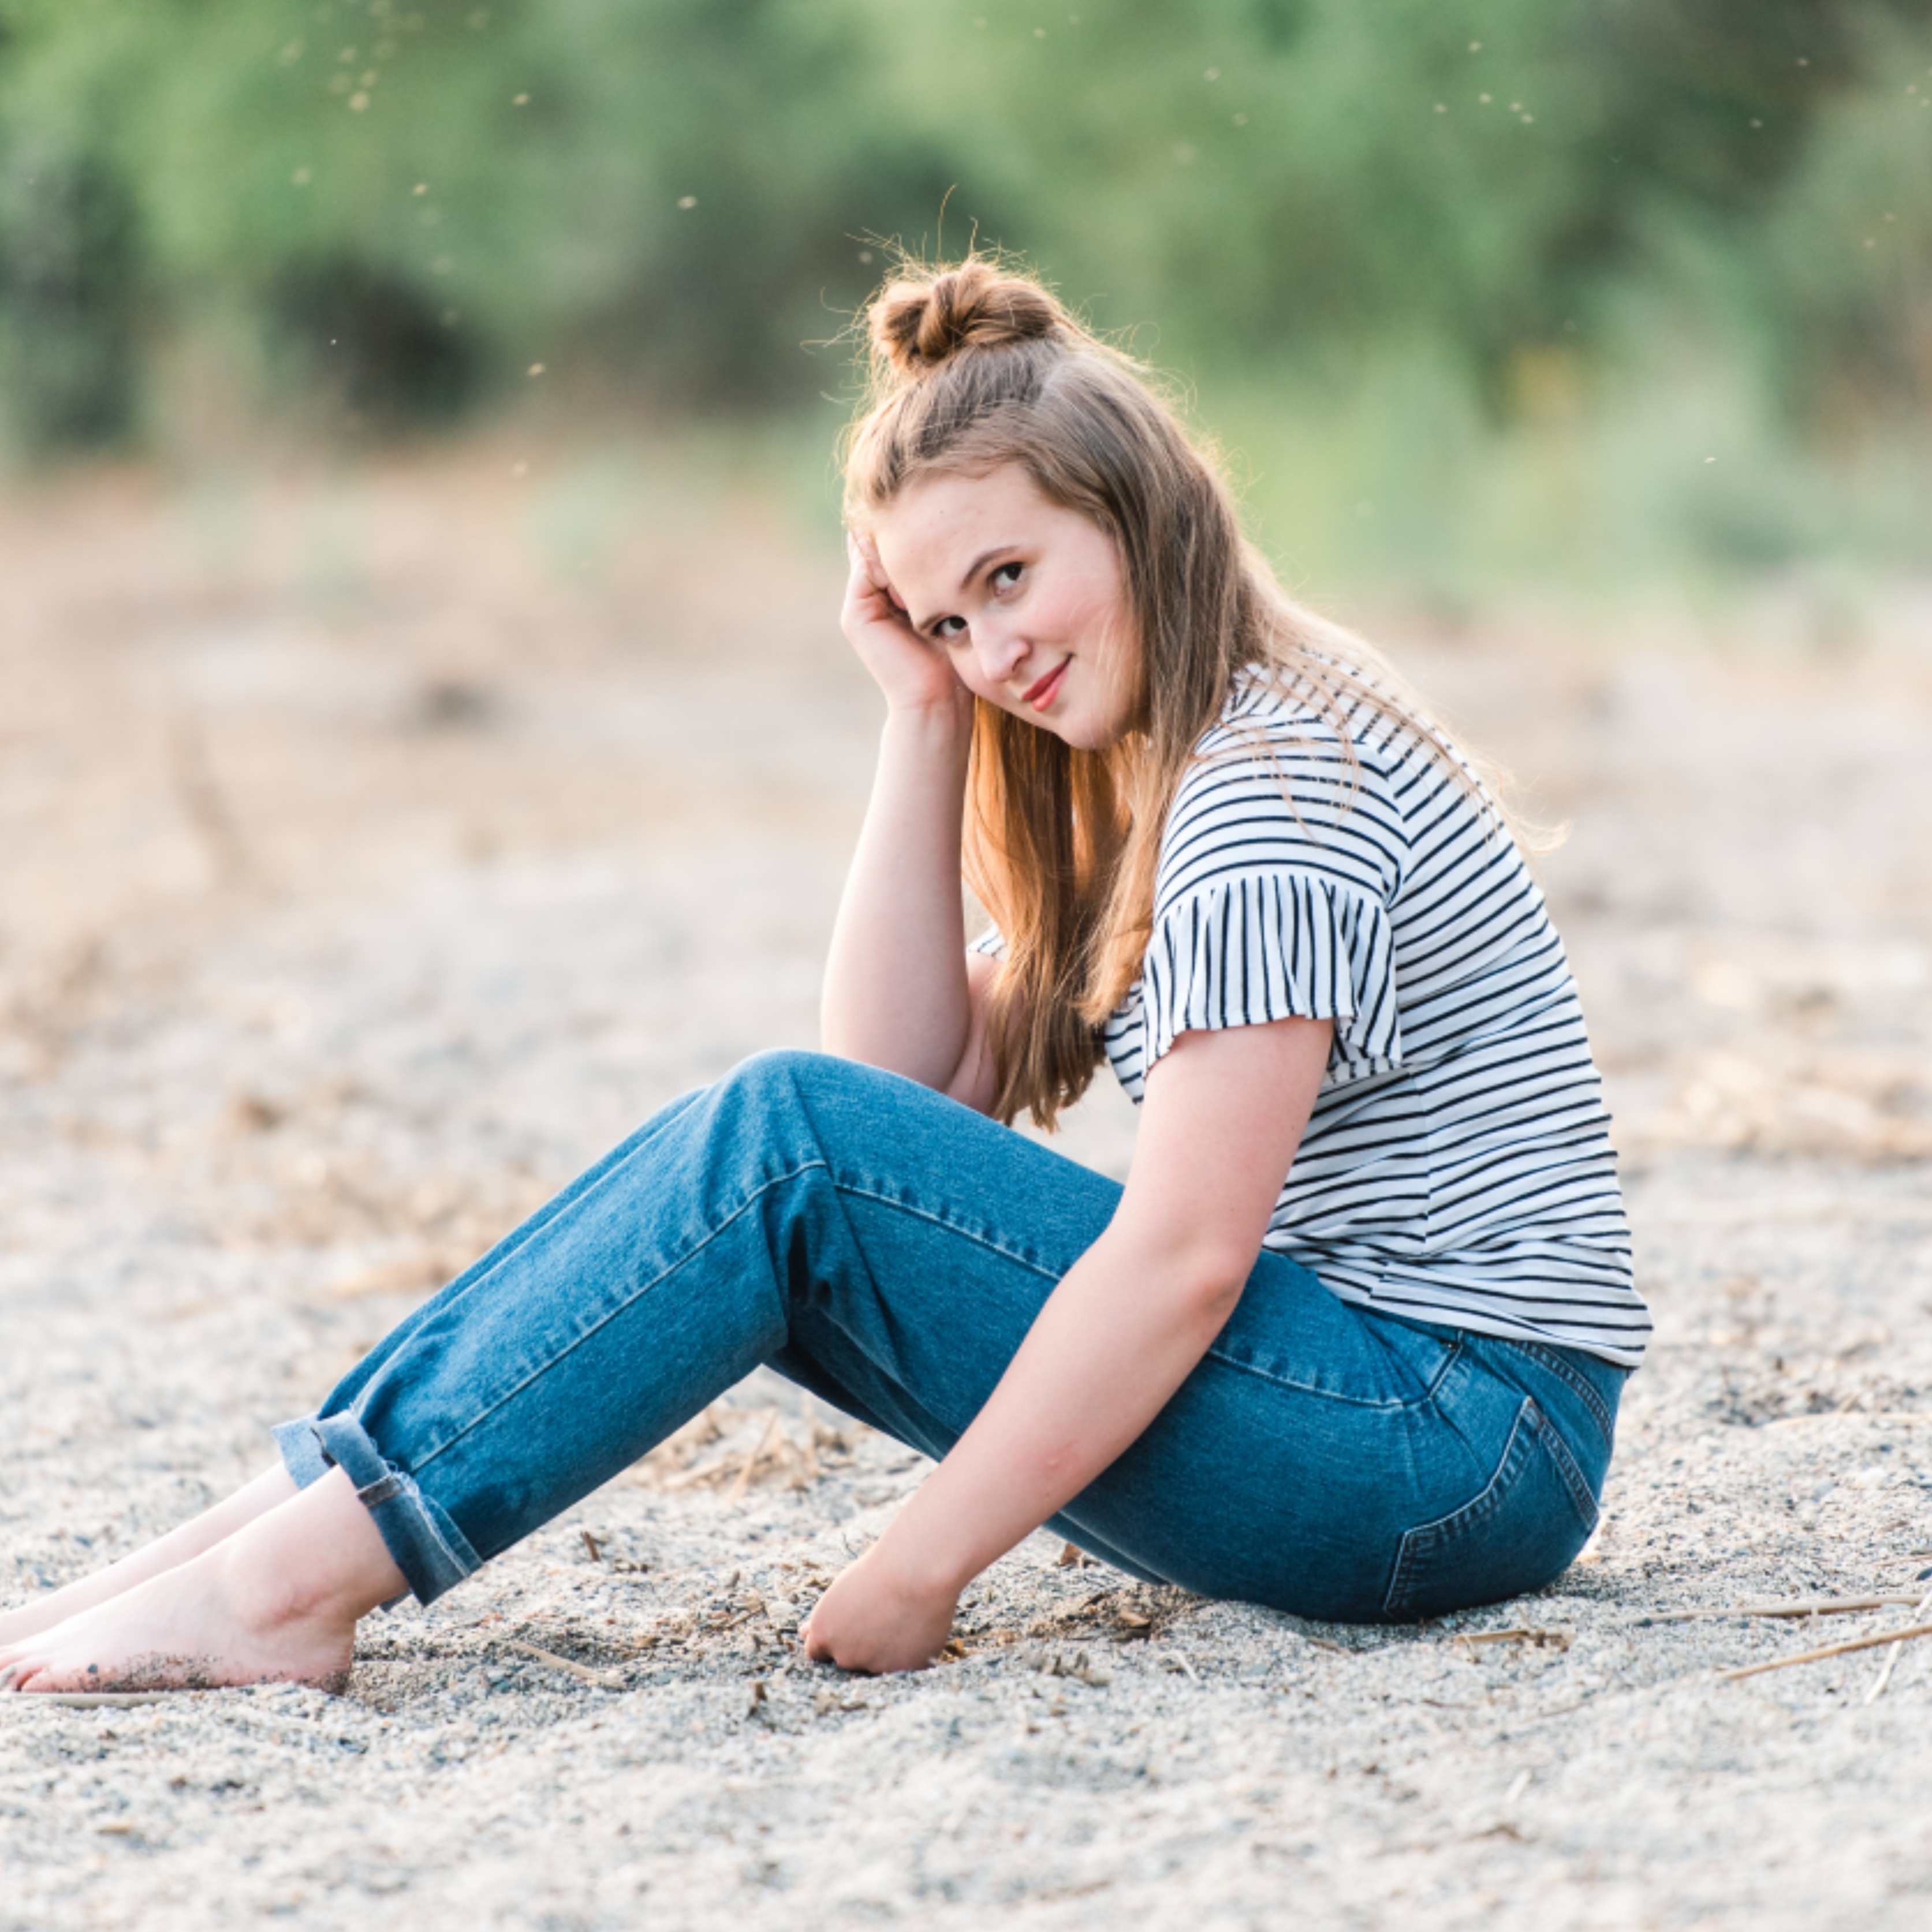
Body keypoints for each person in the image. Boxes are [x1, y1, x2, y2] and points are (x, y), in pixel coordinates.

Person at [0, 260, 1649, 1694]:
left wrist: (921, 1564)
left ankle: (285, 1579)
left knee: (774, 1142)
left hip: (1451, 1444)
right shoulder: (1167, 763)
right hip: (1401, 1420)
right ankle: (253, 1546)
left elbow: (1181, 1259)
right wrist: (919, 721)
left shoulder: (1264, 799)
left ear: (1138, 507)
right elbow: (899, 1086)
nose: (993, 652)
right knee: (771, 1141)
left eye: (1009, 578)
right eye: (945, 623)